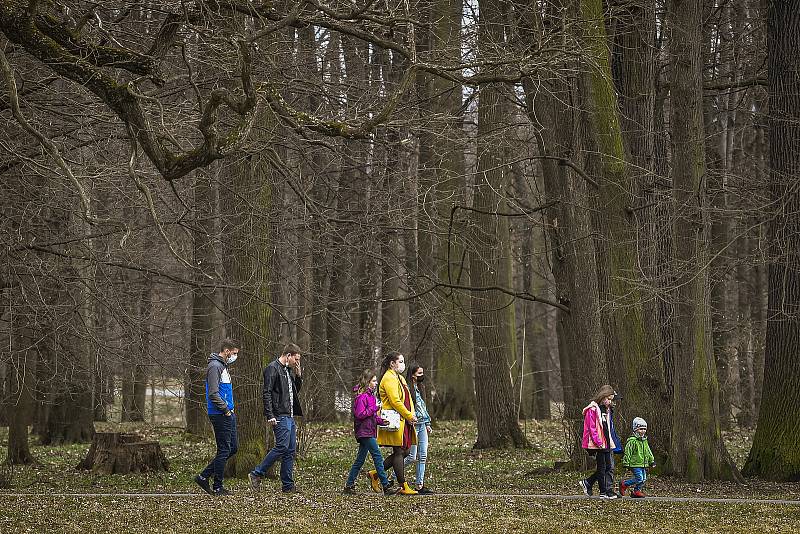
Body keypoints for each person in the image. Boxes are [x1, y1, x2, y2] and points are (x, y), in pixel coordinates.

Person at [249, 343, 303, 493]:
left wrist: (298, 376)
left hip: (290, 415)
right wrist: (270, 415)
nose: (297, 362)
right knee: (282, 446)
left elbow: (294, 392)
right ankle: (257, 473)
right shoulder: (272, 368)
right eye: (296, 359)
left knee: (290, 450)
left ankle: (287, 485)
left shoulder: (287, 370)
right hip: (279, 415)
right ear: (288, 356)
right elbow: (266, 393)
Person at [194, 338, 240, 496]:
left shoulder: (223, 366)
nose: (235, 356)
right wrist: (226, 409)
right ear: (227, 351)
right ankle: (218, 486)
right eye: (234, 353)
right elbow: (213, 393)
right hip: (220, 413)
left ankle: (203, 476)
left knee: (233, 448)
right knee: (224, 449)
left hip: (228, 413)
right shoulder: (215, 366)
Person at [343, 370, 398, 496]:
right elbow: (360, 414)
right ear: (367, 382)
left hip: (369, 431)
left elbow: (371, 416)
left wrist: (381, 421)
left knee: (360, 460)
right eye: (373, 381)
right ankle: (386, 486)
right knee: (378, 456)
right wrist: (374, 408)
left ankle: (349, 485)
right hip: (364, 432)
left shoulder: (371, 396)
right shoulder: (361, 397)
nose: (376, 383)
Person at [376, 351, 418, 495]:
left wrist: (411, 415)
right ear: (392, 363)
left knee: (405, 450)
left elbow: (408, 398)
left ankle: (376, 472)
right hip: (395, 419)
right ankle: (403, 485)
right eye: (400, 361)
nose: (403, 364)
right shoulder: (388, 378)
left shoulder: (400, 378)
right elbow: (395, 401)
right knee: (400, 451)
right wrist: (408, 415)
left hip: (404, 419)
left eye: (403, 361)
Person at [578, 384, 620, 499]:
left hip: (606, 442)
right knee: (602, 467)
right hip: (599, 443)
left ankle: (588, 482)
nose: (609, 402)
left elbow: (607, 427)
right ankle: (603, 491)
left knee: (608, 467)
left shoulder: (607, 409)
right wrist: (598, 442)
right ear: (602, 396)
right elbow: (592, 428)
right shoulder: (592, 409)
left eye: (611, 400)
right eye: (608, 399)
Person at [403, 363, 433, 494]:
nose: (422, 376)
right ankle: (392, 477)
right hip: (413, 425)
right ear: (413, 375)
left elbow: (423, 407)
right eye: (419, 373)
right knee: (411, 457)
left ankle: (419, 485)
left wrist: (427, 423)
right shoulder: (407, 389)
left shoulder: (421, 387)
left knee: (423, 455)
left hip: (422, 424)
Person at [619, 417, 655, 498]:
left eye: (644, 429)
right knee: (639, 478)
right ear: (635, 429)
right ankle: (624, 484)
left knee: (644, 479)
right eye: (640, 429)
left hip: (643, 463)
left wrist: (651, 460)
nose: (643, 431)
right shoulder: (632, 441)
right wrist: (626, 462)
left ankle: (636, 491)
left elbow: (648, 451)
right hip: (635, 463)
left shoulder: (644, 440)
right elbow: (628, 452)